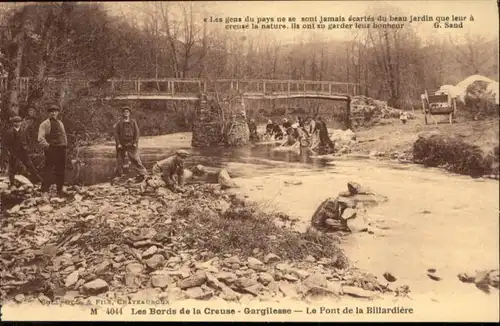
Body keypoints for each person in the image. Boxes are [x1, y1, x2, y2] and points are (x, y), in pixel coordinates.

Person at [2, 116, 43, 187]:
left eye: (19, 122)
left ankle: (38, 180)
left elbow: (28, 140)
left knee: (30, 166)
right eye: (15, 122)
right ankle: (12, 184)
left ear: (21, 122)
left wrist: (27, 148)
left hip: (23, 151)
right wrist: (8, 151)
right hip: (13, 152)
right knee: (12, 168)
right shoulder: (9, 132)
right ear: (13, 123)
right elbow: (5, 144)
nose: (17, 123)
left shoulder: (24, 131)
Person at [38, 103, 68, 196]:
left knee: (61, 169)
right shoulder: (44, 124)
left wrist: (65, 145)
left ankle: (59, 190)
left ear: (58, 113)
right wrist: (48, 147)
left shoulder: (60, 123)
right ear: (48, 113)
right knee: (48, 169)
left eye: (55, 111)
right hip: (51, 149)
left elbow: (64, 135)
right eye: (51, 112)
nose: (53, 113)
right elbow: (40, 138)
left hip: (61, 149)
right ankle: (44, 190)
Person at [113, 106, 147, 182]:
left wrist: (135, 142)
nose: (126, 113)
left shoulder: (133, 121)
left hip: (131, 143)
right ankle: (118, 176)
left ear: (130, 113)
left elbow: (137, 133)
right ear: (122, 113)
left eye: (127, 112)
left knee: (135, 159)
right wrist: (118, 143)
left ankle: (143, 174)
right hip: (121, 144)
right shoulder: (119, 122)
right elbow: (116, 134)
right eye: (124, 112)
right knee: (119, 160)